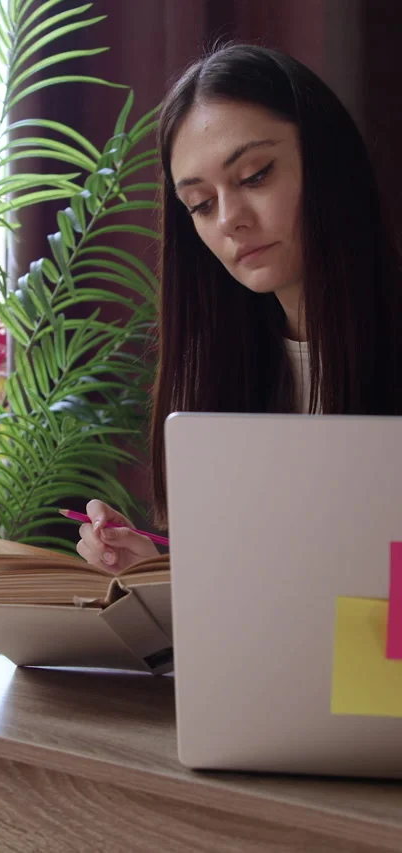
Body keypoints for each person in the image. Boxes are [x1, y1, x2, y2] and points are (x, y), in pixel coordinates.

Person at [76, 42, 402, 572]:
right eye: (201, 205)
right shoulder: (218, 373)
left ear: (326, 161)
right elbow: (257, 596)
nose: (229, 218)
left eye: (255, 176)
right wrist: (162, 575)